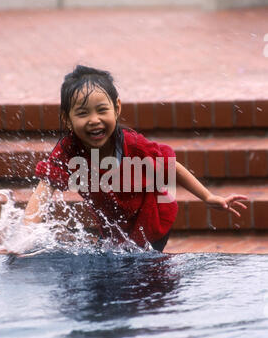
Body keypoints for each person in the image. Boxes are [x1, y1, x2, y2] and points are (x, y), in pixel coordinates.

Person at [23, 65, 248, 252]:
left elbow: (172, 167)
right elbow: (44, 189)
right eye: (82, 113)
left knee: (138, 274)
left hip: (153, 218)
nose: (94, 120)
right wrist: (26, 236)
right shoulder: (67, 150)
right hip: (114, 221)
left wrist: (208, 197)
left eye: (102, 110)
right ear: (67, 119)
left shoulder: (134, 146)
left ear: (117, 108)